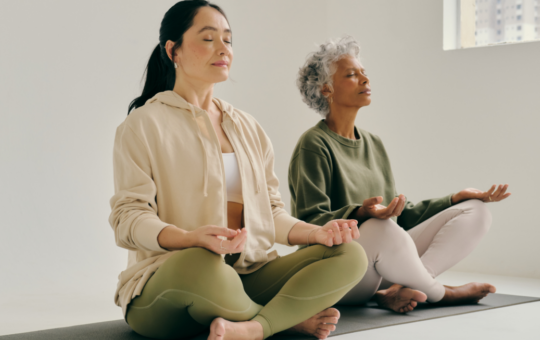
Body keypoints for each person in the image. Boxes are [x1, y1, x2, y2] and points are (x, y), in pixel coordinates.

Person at [109, 3, 368, 340]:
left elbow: (271, 214)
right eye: (208, 38)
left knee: (350, 254)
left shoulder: (248, 127)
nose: (223, 49)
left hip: (247, 276)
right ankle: (283, 320)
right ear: (173, 50)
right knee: (200, 262)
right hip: (168, 286)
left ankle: (251, 327)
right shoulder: (142, 125)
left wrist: (315, 233)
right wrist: (189, 238)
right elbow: (128, 218)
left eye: (228, 40)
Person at [289, 36, 510, 313]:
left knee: (476, 211)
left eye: (364, 73)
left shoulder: (374, 143)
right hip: (339, 270)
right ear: (326, 90)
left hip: (383, 262)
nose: (365, 80)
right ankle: (440, 293)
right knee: (381, 227)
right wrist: (361, 213)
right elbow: (309, 222)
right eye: (351, 75)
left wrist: (455, 198)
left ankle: (406, 288)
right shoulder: (313, 144)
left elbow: (399, 215)